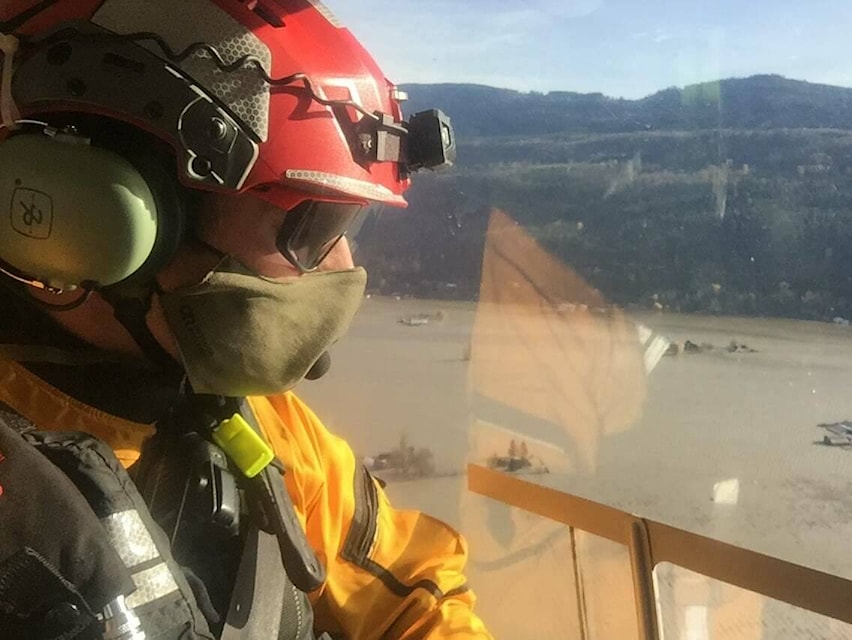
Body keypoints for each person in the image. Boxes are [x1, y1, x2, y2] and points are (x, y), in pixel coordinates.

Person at [0, 2, 488, 639]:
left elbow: (417, 594)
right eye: (311, 229)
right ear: (98, 212)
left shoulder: (266, 430)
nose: (342, 266)